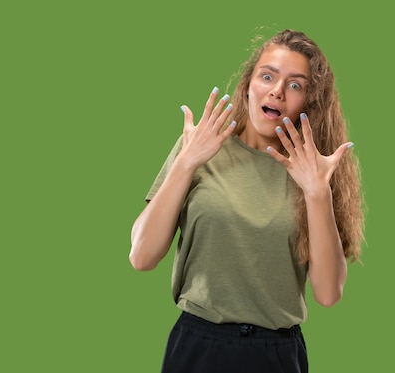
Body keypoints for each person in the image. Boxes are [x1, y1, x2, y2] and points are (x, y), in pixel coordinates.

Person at [129, 29, 365, 373]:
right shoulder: (200, 147)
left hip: (276, 354)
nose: (277, 91)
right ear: (247, 84)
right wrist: (186, 162)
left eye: (295, 85)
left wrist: (317, 193)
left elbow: (328, 294)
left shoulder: (313, 172)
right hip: (197, 346)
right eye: (267, 76)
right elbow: (142, 257)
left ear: (310, 101)